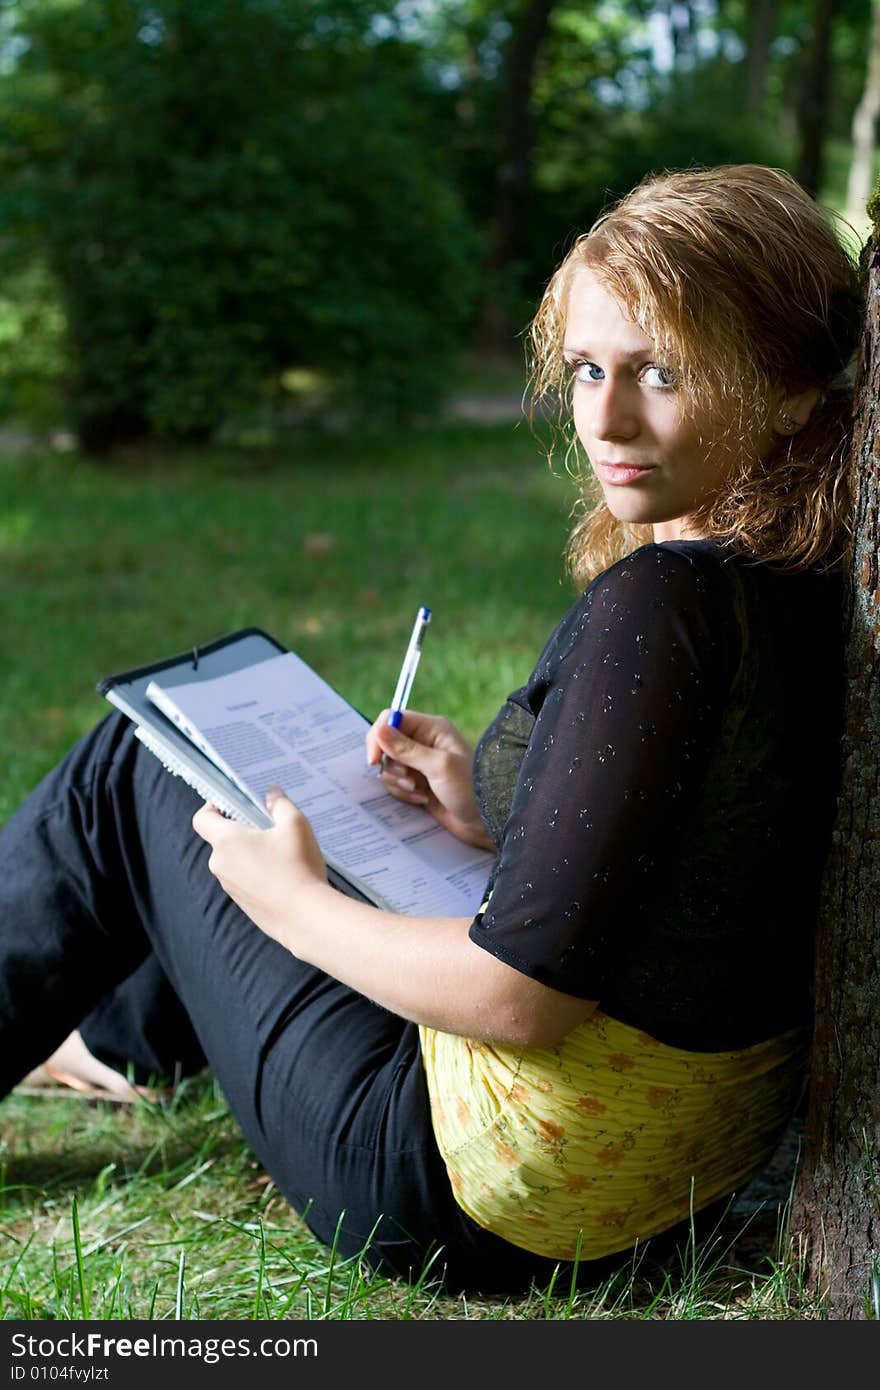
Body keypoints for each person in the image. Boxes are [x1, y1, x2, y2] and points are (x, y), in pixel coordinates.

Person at [0, 163, 864, 1294]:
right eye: (590, 368)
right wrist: (484, 804)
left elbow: (520, 996)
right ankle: (121, 1036)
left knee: (137, 764)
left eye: (664, 373)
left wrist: (294, 906)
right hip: (656, 1172)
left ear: (795, 391)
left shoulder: (670, 602)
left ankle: (114, 1038)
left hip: (468, 1184)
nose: (603, 418)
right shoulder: (811, 587)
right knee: (281, 806)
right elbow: (686, 882)